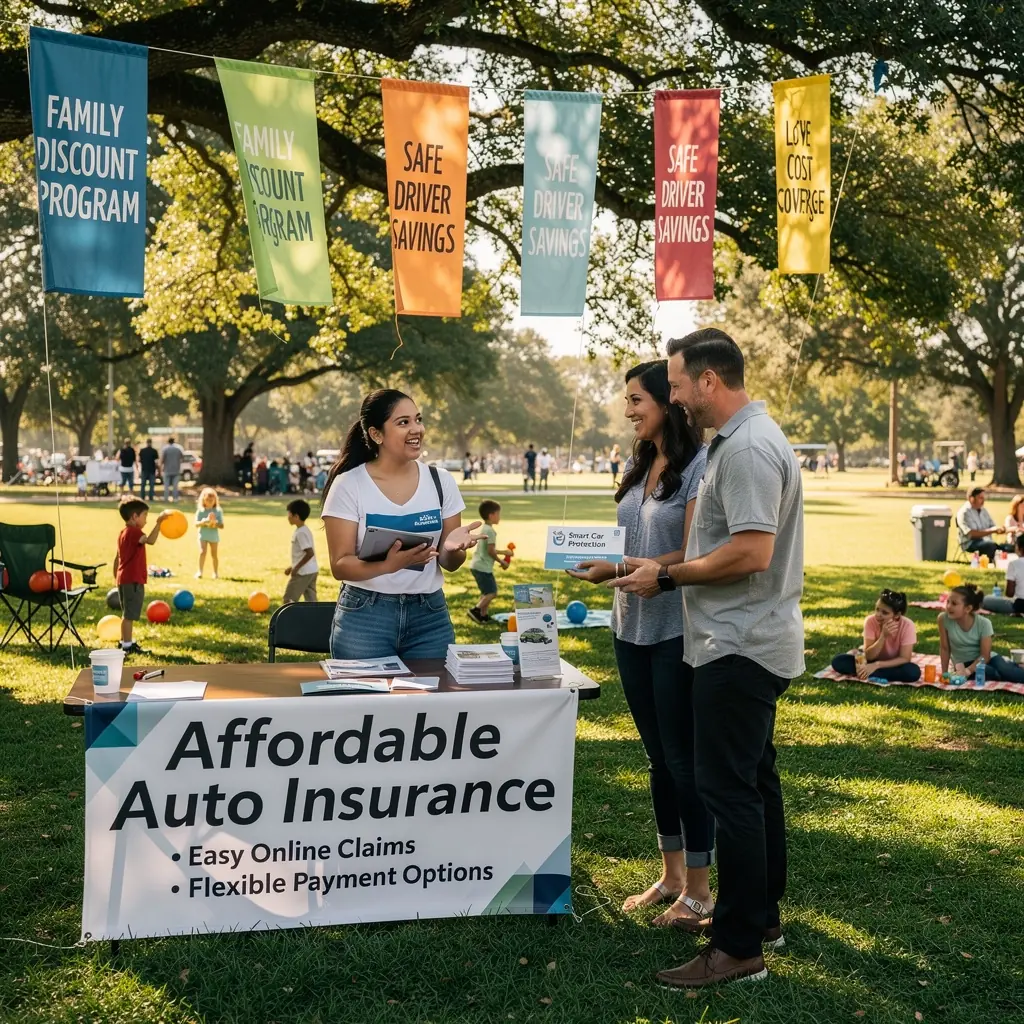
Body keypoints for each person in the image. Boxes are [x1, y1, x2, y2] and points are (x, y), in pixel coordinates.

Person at [611, 329, 803, 988]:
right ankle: (762, 918)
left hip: (738, 645)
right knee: (755, 784)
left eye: (677, 384)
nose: (675, 396)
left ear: (708, 381)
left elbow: (751, 552)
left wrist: (666, 576)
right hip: (742, 640)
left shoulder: (746, 448)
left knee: (729, 792)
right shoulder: (740, 440)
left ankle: (738, 948)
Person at [568, 360, 714, 928]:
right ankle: (672, 876)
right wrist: (606, 565)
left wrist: (623, 565)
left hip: (675, 628)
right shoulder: (640, 462)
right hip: (627, 626)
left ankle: (700, 889)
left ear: (667, 403)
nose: (628, 409)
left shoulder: (699, 466)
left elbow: (693, 551)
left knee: (683, 760)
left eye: (637, 400)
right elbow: (629, 542)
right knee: (657, 759)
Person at [321, 389, 481, 660]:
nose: (416, 429)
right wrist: (388, 565)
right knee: (365, 690)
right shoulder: (349, 484)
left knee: (433, 690)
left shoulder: (441, 481)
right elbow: (340, 565)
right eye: (403, 422)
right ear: (376, 434)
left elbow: (450, 564)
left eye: (418, 419)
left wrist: (452, 549)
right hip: (366, 617)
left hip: (429, 617)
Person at [112, 498, 170, 655]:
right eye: (145, 515)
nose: (146, 520)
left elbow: (117, 557)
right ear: (134, 516)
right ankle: (127, 646)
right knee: (129, 615)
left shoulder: (122, 533)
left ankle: (125, 641)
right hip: (132, 579)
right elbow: (150, 540)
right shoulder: (134, 532)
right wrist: (159, 523)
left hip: (123, 578)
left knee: (126, 614)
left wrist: (116, 576)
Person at [939, 583, 1024, 682]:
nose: (948, 606)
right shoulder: (943, 619)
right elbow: (944, 648)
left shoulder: (984, 623)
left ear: (968, 608)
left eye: (954, 603)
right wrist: (944, 673)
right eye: (948, 602)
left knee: (1008, 671)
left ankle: (1012, 667)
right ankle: (1004, 670)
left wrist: (968, 671)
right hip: (963, 664)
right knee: (988, 673)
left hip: (987, 659)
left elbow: (985, 656)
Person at [830, 590, 922, 682]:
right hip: (871, 660)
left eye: (884, 613)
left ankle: (867, 672)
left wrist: (877, 665)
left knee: (913, 672)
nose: (878, 615)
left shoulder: (907, 625)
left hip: (893, 664)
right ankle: (874, 672)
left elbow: (905, 658)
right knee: (839, 661)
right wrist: (883, 636)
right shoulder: (870, 621)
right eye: (877, 609)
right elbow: (869, 656)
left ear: (897, 615)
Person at [468, 499, 511, 623]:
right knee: (492, 593)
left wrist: (504, 553)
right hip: (482, 567)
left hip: (477, 565)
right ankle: (475, 610)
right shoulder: (489, 531)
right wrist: (502, 561)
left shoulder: (485, 528)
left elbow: (489, 549)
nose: (499, 516)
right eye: (498, 514)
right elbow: (491, 551)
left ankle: (483, 615)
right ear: (491, 515)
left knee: (486, 592)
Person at [956, 487, 1012, 560]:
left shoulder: (983, 510)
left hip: (986, 541)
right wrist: (992, 530)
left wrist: (1002, 529)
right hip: (970, 543)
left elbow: (993, 526)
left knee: (1009, 547)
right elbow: (971, 534)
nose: (983, 501)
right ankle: (988, 563)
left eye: (984, 498)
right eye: (980, 498)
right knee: (990, 545)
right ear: (971, 499)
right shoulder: (964, 512)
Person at [283, 498, 319, 603]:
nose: (288, 517)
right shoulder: (304, 530)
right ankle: (315, 614)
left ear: (296, 516)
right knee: (311, 601)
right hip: (312, 570)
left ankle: (290, 615)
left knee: (288, 599)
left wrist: (296, 568)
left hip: (303, 572)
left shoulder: (300, 533)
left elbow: (309, 553)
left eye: (289, 514)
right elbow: (302, 554)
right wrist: (292, 567)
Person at [194, 486, 224, 579]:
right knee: (202, 552)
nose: (210, 502)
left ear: (215, 500)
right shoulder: (200, 511)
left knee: (214, 554)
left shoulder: (218, 511)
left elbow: (222, 525)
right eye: (207, 500)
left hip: (213, 536)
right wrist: (203, 522)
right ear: (203, 500)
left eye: (212, 500)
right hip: (203, 535)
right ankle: (200, 571)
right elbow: (196, 524)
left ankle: (215, 573)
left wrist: (215, 523)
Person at [160, 436, 185, 502]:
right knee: (175, 486)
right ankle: (175, 498)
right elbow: (182, 458)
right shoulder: (178, 448)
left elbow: (162, 459)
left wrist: (161, 468)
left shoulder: (165, 449)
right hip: (176, 469)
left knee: (166, 486)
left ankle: (166, 498)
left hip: (167, 470)